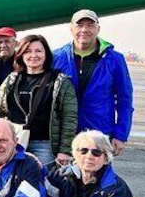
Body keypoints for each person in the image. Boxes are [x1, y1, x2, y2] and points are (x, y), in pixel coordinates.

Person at [53, 9, 133, 156]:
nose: (84, 29)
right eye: (79, 25)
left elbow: (124, 100)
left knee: (97, 177)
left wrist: (121, 134)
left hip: (99, 133)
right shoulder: (57, 57)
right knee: (61, 178)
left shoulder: (114, 59)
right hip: (64, 134)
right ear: (71, 28)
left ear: (98, 29)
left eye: (90, 25)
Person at [0, 34, 78, 167]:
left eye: (38, 51)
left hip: (44, 145)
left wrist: (65, 150)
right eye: (28, 51)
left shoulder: (60, 82)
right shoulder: (12, 80)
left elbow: (69, 118)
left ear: (46, 54)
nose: (33, 55)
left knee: (41, 183)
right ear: (21, 54)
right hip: (14, 142)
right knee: (11, 182)